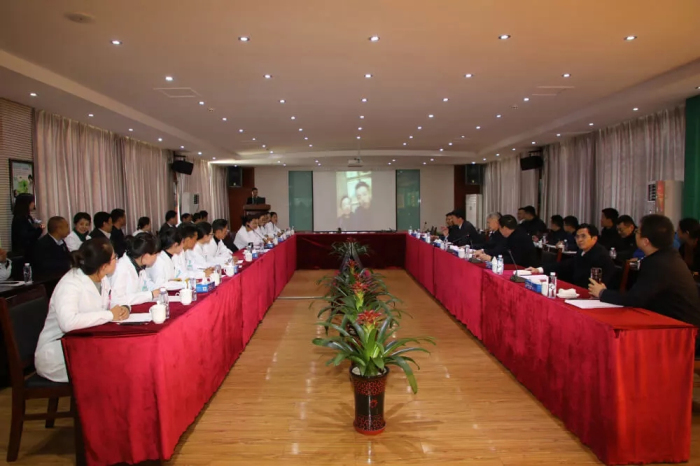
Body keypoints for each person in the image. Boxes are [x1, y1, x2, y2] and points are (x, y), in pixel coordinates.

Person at [589, 215, 700, 353]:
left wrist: (602, 293)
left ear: (646, 241)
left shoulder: (659, 264)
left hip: (682, 334)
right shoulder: (667, 256)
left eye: (637, 232)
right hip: (674, 325)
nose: (635, 234)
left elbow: (635, 299)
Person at [34, 238, 129, 382]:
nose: (117, 260)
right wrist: (109, 315)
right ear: (104, 266)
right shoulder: (70, 284)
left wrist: (123, 309)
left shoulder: (101, 278)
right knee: (115, 363)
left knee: (122, 355)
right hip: (58, 354)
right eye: (114, 257)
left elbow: (109, 303)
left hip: (84, 344)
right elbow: (68, 323)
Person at [527, 224, 615, 288]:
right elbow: (565, 265)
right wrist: (539, 269)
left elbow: (598, 283)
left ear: (594, 238)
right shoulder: (582, 251)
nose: (579, 240)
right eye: (577, 237)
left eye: (583, 236)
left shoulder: (601, 255)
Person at [109, 233, 161, 306]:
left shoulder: (139, 266)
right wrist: (150, 295)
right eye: (156, 254)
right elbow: (118, 299)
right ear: (146, 256)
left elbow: (147, 284)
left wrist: (159, 289)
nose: (156, 257)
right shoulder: (121, 268)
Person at [11, 193, 43, 258]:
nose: (33, 204)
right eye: (32, 202)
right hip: (24, 253)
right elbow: (25, 237)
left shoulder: (27, 217)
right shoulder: (19, 219)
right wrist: (39, 230)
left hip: (30, 251)